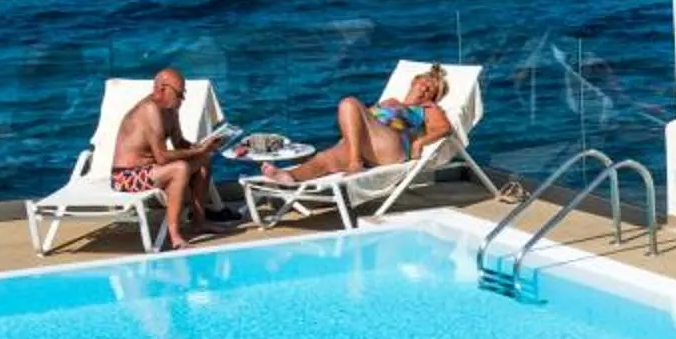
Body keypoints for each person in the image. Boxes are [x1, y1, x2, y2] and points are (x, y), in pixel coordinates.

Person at [261, 64, 455, 185]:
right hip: (368, 147)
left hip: (391, 146)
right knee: (324, 159)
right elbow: (359, 123)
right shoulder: (390, 101)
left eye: (432, 90)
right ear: (415, 81)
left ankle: (355, 162)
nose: (426, 90)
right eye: (426, 83)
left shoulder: (428, 107)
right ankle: (288, 176)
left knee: (349, 103)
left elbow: (444, 128)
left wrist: (419, 142)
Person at [111, 68, 226, 250]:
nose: (183, 100)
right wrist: (199, 150)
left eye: (183, 94)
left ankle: (199, 221)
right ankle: (175, 237)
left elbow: (179, 143)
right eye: (179, 94)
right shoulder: (149, 110)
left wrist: (204, 147)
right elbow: (163, 157)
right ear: (163, 89)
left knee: (203, 160)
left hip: (151, 169)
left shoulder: (170, 110)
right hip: (125, 177)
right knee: (179, 168)